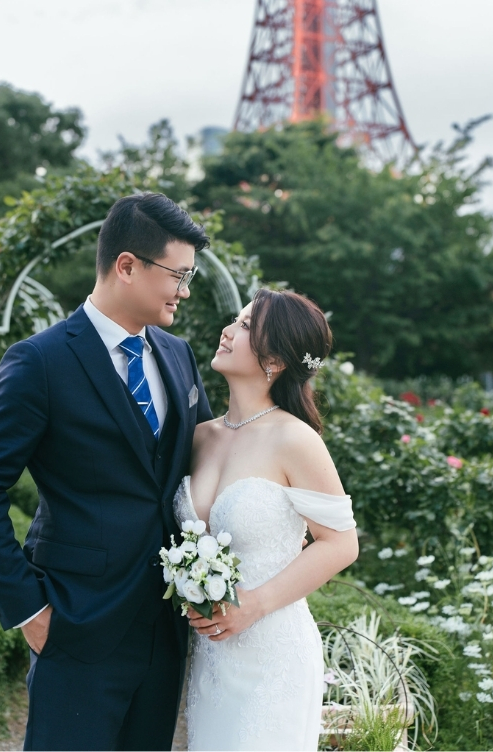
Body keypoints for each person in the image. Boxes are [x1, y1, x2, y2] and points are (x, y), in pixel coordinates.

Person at [0, 193, 215, 751]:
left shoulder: (178, 355)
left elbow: (208, 464)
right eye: (178, 275)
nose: (185, 292)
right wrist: (30, 609)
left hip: (163, 627)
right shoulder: (39, 361)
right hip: (75, 621)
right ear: (127, 266)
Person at [177, 288, 359, 750]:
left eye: (242, 326)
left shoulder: (295, 440)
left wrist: (253, 604)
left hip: (273, 654)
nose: (227, 330)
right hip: (211, 656)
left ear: (274, 360)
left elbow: (340, 543)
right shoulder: (198, 437)